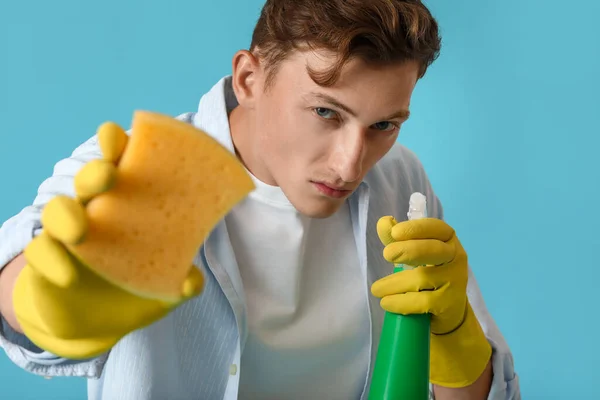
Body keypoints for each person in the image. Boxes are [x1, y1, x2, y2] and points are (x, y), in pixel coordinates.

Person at [0, 0, 520, 399]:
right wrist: (48, 302)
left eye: (383, 124)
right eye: (325, 113)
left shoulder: (401, 177)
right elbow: (17, 270)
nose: (350, 163)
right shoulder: (138, 167)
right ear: (249, 78)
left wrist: (454, 334)